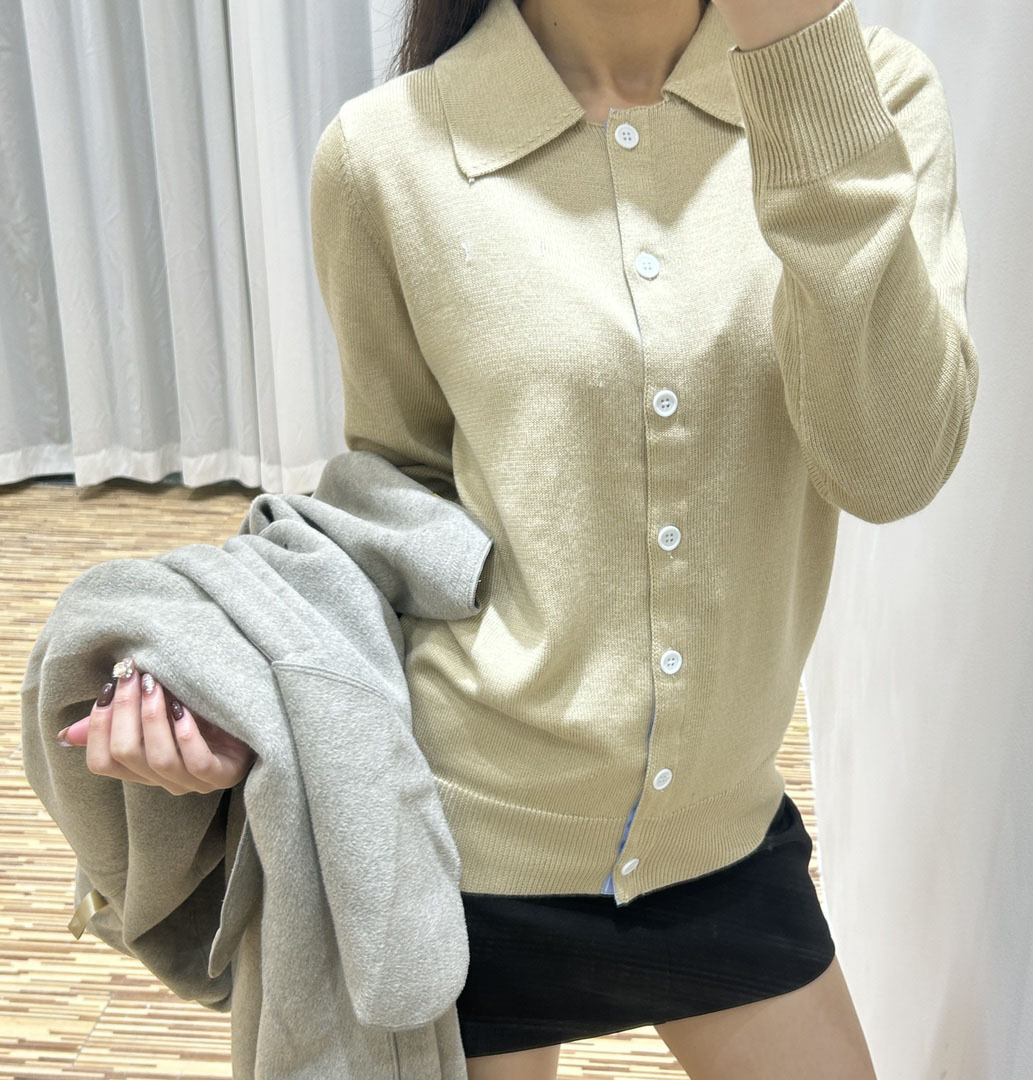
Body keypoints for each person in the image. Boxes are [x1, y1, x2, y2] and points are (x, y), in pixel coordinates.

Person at [59, 0, 980, 1075]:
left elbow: (892, 466)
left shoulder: (864, 93)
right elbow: (400, 504)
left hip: (723, 831)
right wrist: (252, 705)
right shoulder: (385, 153)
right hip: (467, 849)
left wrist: (798, 59)